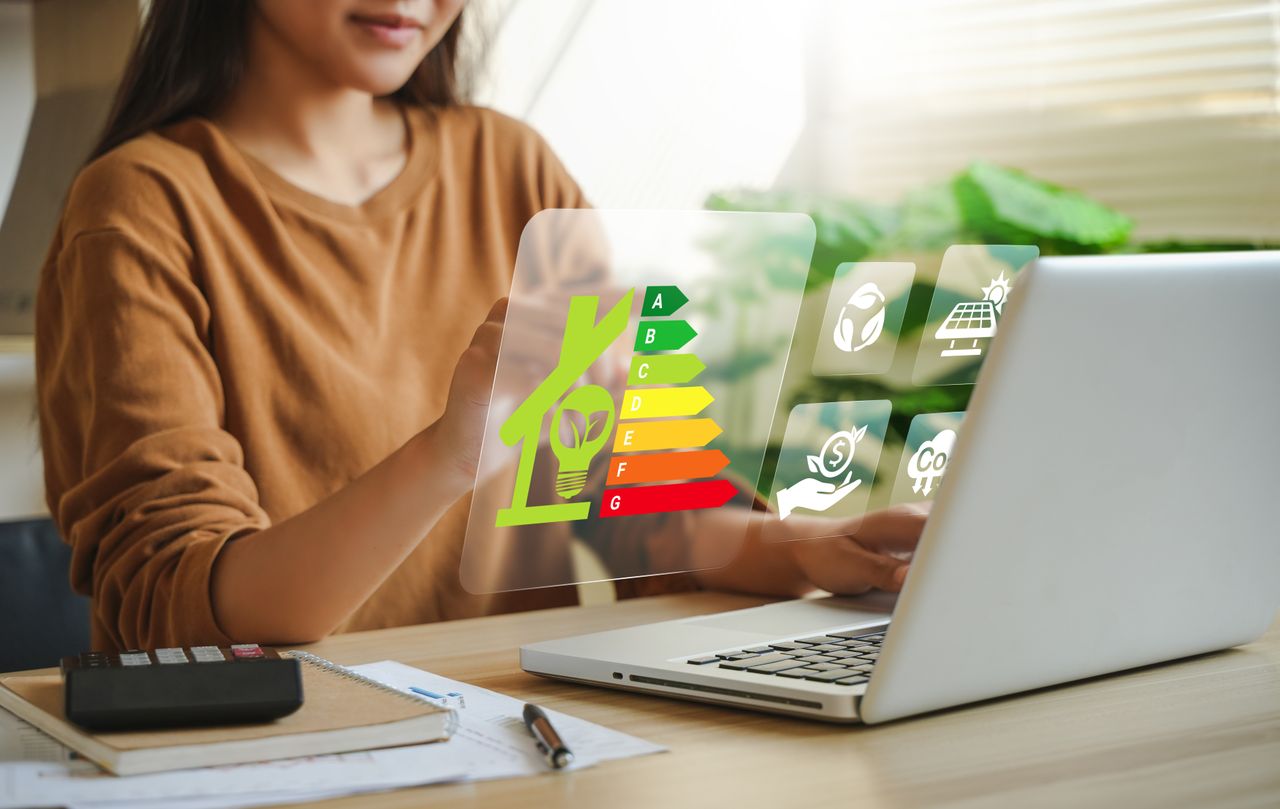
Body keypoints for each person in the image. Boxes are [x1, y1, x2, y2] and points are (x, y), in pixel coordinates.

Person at [35, 0, 926, 652]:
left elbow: (626, 503)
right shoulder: (139, 207)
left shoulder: (510, 166)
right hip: (270, 755)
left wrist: (809, 546)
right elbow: (181, 607)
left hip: (517, 732)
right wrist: (451, 453)